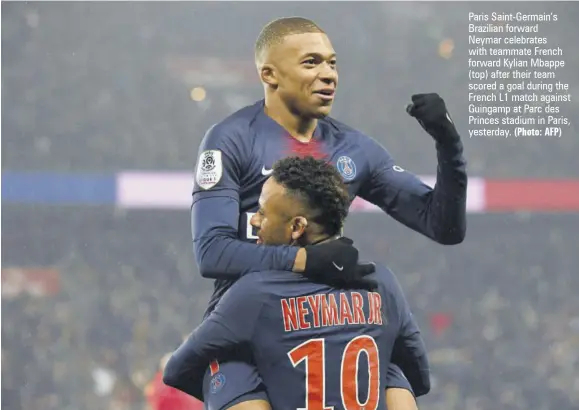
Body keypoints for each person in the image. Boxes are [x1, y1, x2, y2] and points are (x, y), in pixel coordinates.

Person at [190, 16, 465, 410]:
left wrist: (449, 147)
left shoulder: (353, 148)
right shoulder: (231, 139)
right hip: (249, 323)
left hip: (333, 317)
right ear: (270, 74)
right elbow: (212, 253)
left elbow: (443, 226)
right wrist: (306, 259)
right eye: (311, 62)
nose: (328, 75)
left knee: (402, 394)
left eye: (332, 63)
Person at [169, 156, 430, 410]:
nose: (254, 220)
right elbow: (418, 373)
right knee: (392, 369)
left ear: (297, 227)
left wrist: (244, 388)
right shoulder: (382, 282)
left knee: (227, 369)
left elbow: (179, 368)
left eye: (262, 211)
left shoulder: (255, 293)